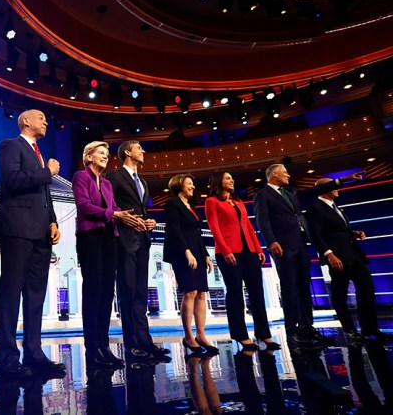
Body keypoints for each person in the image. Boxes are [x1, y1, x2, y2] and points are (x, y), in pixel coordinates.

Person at [0, 109, 65, 379]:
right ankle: (8, 358)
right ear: (25, 121)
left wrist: (53, 221)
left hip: (42, 233)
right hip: (17, 230)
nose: (46, 120)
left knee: (36, 296)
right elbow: (11, 180)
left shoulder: (38, 153)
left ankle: (34, 353)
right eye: (41, 117)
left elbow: (45, 196)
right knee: (11, 294)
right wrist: (48, 172)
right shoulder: (10, 146)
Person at [253, 164, 360, 345]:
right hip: (283, 246)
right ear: (275, 175)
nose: (288, 175)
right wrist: (272, 241)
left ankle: (307, 328)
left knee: (304, 287)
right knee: (289, 288)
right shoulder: (262, 195)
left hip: (300, 244)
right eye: (285, 172)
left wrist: (341, 180)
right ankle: (292, 330)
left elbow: (316, 190)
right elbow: (262, 221)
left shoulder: (291, 192)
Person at [72, 141, 139, 369]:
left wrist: (133, 219)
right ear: (88, 156)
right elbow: (85, 207)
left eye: (106, 153)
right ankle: (92, 348)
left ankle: (104, 345)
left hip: (110, 239)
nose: (105, 156)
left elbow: (114, 209)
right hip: (90, 238)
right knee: (93, 291)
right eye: (100, 153)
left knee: (107, 293)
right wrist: (114, 214)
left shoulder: (107, 184)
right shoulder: (81, 177)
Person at [104, 140, 169, 362]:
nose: (143, 151)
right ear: (128, 153)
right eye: (139, 148)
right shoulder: (114, 176)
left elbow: (144, 209)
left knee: (141, 292)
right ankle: (131, 344)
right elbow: (109, 206)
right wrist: (126, 219)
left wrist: (150, 221)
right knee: (128, 291)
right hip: (124, 240)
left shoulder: (142, 181)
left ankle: (146, 342)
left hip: (143, 239)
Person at [305, 178, 391, 342]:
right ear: (323, 189)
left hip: (354, 255)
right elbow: (315, 235)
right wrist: (329, 254)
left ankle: (370, 329)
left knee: (367, 289)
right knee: (340, 295)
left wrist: (353, 233)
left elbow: (336, 231)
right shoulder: (315, 208)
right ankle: (350, 331)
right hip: (338, 258)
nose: (337, 189)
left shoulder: (336, 207)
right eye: (333, 186)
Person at [206, 171, 279, 353]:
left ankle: (263, 333)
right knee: (235, 293)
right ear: (219, 181)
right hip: (229, 251)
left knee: (257, 292)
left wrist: (258, 248)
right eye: (228, 178)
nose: (232, 180)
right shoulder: (212, 202)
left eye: (232, 177)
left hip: (249, 251)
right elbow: (214, 228)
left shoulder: (238, 201)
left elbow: (247, 225)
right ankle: (240, 334)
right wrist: (225, 250)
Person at [162, 174, 214, 356]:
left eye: (192, 183)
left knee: (201, 293)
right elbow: (174, 230)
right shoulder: (172, 204)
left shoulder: (191, 207)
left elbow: (197, 233)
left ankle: (201, 335)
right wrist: (186, 251)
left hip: (197, 252)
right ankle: (188, 336)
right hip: (182, 252)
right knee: (190, 291)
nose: (193, 186)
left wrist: (205, 255)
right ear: (179, 186)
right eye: (189, 184)